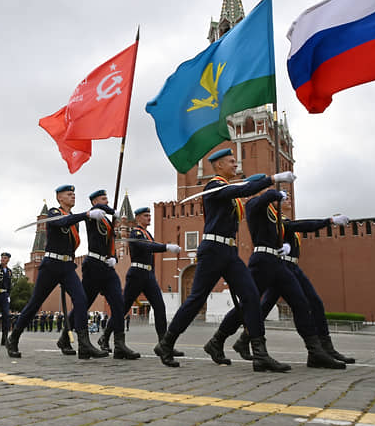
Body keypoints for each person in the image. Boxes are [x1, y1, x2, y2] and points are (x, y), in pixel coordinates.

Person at [154, 148, 294, 370]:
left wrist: (260, 181)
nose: (235, 164)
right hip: (213, 250)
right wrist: (272, 179)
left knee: (250, 296)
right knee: (196, 299)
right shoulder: (213, 187)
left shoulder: (228, 188)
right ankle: (167, 342)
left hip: (229, 252)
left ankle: (256, 353)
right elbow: (243, 189)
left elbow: (245, 186)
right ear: (219, 166)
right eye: (231, 161)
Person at [204, 188, 347, 369]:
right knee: (247, 305)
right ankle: (217, 340)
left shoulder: (276, 217)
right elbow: (262, 199)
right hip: (262, 262)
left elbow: (301, 225)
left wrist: (330, 221)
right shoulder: (254, 205)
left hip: (277, 264)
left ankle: (315, 352)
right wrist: (274, 190)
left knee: (301, 303)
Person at [6, 185, 106, 359]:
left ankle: (84, 345)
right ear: (60, 198)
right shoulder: (53, 212)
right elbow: (61, 222)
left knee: (81, 300)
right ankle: (13, 338)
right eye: (69, 194)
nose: (73, 196)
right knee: (35, 303)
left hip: (67, 266)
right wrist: (87, 214)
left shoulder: (73, 219)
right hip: (51, 264)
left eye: (74, 193)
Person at [99, 206, 181, 357]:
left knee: (159, 307)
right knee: (123, 308)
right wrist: (166, 247)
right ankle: (105, 337)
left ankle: (164, 344)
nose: (149, 218)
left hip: (148, 274)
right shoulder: (135, 232)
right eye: (145, 215)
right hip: (137, 274)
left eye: (150, 215)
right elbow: (146, 246)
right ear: (137, 218)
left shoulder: (147, 233)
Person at [67, 189, 139, 359]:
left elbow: (111, 243)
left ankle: (119, 345)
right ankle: (66, 336)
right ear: (94, 202)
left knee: (119, 303)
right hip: (92, 265)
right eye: (102, 198)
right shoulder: (93, 215)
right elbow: (98, 209)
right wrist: (110, 210)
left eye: (107, 198)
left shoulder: (108, 221)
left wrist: (113, 257)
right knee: (84, 303)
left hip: (106, 266)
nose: (106, 201)